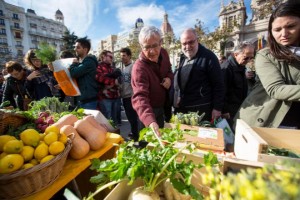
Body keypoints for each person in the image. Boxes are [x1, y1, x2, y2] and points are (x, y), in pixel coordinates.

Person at [235, 0, 300, 128]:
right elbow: (275, 89)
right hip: (267, 120)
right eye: (277, 29)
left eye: (291, 26)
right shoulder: (265, 55)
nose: (284, 34)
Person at [173, 28, 225, 121]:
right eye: (184, 44)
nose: (187, 46)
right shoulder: (183, 58)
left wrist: (217, 108)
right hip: (184, 109)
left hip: (202, 111)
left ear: (197, 40)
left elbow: (219, 85)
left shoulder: (209, 57)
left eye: (191, 42)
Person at [131, 26, 173, 136]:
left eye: (155, 45)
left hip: (164, 105)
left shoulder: (164, 53)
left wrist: (169, 78)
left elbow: (169, 69)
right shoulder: (139, 68)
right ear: (141, 46)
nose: (152, 51)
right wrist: (150, 120)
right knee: (149, 142)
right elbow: (140, 97)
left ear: (161, 42)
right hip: (148, 110)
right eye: (147, 47)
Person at [221, 41, 255, 128]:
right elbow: (221, 91)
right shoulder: (226, 68)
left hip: (238, 107)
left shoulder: (240, 66)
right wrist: (224, 111)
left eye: (251, 58)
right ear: (236, 54)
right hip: (229, 111)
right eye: (246, 58)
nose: (248, 61)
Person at [70, 38, 98, 109]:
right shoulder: (82, 62)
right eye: (75, 47)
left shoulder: (89, 62)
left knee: (88, 120)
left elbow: (74, 73)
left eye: (78, 47)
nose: (75, 49)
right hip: (83, 100)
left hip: (88, 101)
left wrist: (73, 64)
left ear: (85, 49)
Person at [96, 50, 121, 125]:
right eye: (110, 57)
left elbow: (118, 80)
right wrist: (114, 82)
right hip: (105, 98)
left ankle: (116, 136)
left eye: (112, 57)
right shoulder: (99, 66)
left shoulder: (111, 67)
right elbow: (99, 78)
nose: (111, 59)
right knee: (107, 120)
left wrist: (113, 83)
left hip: (115, 96)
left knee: (114, 120)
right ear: (103, 56)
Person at [119, 47, 139, 141]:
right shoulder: (123, 69)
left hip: (131, 96)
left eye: (124, 56)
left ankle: (136, 136)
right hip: (125, 96)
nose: (122, 58)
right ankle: (134, 132)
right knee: (130, 117)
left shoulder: (133, 67)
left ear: (129, 56)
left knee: (133, 117)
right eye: (121, 56)